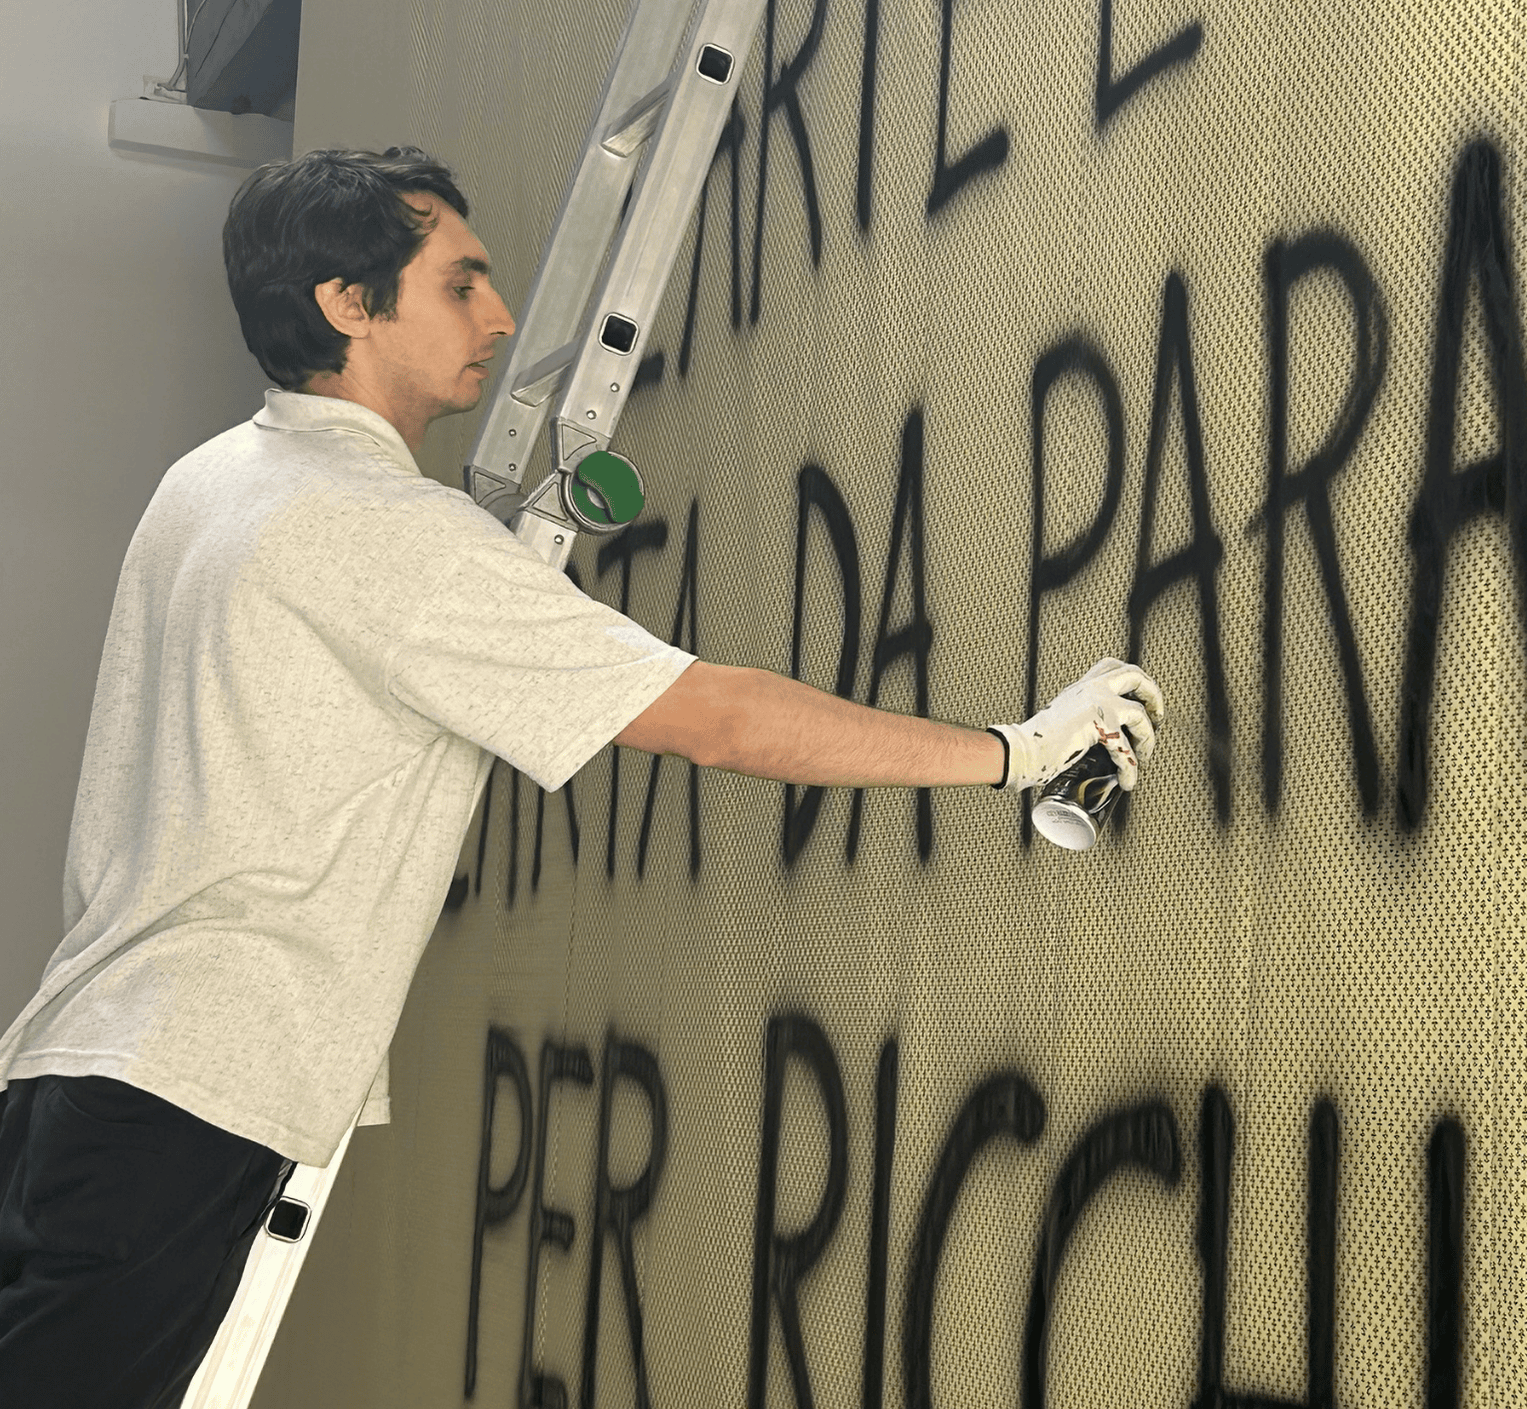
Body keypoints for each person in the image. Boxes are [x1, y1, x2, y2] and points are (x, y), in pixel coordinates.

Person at [0, 147, 1163, 1407]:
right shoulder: (383, 532)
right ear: (347, 303)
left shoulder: (212, 480)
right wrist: (1017, 750)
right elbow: (718, 719)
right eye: (460, 283)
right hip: (190, 1095)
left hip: (73, 1069)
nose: (499, 317)